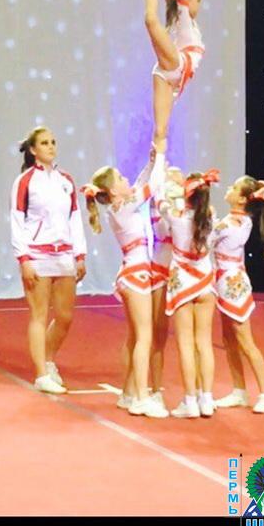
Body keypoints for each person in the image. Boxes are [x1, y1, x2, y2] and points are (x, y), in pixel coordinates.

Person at [82, 140, 168, 419]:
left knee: (134, 336)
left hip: (131, 272)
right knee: (144, 336)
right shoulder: (124, 207)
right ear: (112, 191)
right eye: (120, 178)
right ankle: (142, 397)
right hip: (137, 274)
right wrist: (160, 157)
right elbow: (151, 187)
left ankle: (128, 392)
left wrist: (151, 162)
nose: (125, 179)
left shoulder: (119, 206)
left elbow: (141, 183)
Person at [10, 127, 87, 394]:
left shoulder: (66, 180)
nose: (51, 147)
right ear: (33, 150)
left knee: (65, 316)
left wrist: (80, 254)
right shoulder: (25, 181)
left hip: (64, 254)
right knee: (39, 315)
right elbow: (17, 220)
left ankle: (49, 358)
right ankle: (41, 374)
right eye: (44, 143)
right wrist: (24, 258)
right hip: (37, 255)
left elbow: (75, 218)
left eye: (53, 142)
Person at [214, 178, 264, 414]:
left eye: (233, 188)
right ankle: (239, 390)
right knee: (228, 339)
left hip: (232, 284)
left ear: (242, 199)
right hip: (225, 280)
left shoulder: (231, 224)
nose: (228, 189)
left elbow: (204, 240)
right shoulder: (237, 220)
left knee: (245, 341)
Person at [159, 169, 219, 418]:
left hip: (183, 283)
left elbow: (160, 201)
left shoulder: (176, 216)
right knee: (204, 342)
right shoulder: (211, 217)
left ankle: (190, 401)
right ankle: (207, 399)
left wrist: (168, 182)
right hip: (205, 283)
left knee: (185, 343)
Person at [132, 0, 205, 146]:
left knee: (160, 130)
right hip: (176, 63)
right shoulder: (184, 19)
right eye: (198, 0)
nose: (199, 5)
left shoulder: (187, 22)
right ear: (188, 1)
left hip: (169, 77)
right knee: (151, 21)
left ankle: (156, 164)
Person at [149, 165, 184, 411]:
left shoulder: (191, 206)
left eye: (178, 174)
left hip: (185, 271)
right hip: (161, 266)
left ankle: (196, 394)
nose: (175, 176)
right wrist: (167, 204)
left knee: (189, 336)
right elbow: (163, 230)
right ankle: (155, 389)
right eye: (170, 174)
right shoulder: (158, 206)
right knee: (157, 332)